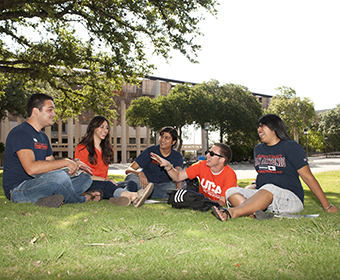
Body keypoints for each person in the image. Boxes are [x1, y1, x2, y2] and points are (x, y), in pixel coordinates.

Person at [211, 114, 338, 221]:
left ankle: (232, 212)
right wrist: (253, 185)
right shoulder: (258, 149)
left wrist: (327, 206)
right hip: (263, 196)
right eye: (258, 127)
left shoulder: (291, 147)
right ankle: (255, 214)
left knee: (269, 187)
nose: (259, 129)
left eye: (262, 126)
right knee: (231, 191)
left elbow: (308, 177)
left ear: (274, 127)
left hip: (290, 198)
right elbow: (264, 173)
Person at [2, 93, 99, 208]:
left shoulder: (43, 137)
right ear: (36, 111)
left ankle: (47, 198)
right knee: (59, 178)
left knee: (85, 178)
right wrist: (65, 161)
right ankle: (82, 199)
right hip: (19, 189)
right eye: (50, 110)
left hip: (43, 182)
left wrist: (73, 165)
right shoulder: (20, 133)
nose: (54, 114)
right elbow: (31, 168)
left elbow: (51, 166)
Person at [75, 116, 153, 207]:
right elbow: (83, 175)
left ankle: (120, 198)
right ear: (93, 128)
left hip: (104, 183)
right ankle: (133, 196)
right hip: (88, 184)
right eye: (102, 127)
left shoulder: (108, 149)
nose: (105, 130)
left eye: (107, 128)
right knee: (108, 184)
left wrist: (106, 180)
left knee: (131, 183)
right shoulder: (82, 148)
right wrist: (105, 180)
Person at [150, 143, 237, 206]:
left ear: (222, 160)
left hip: (204, 201)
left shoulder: (230, 175)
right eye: (208, 152)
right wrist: (168, 166)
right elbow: (178, 177)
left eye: (212, 154)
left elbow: (223, 202)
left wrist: (203, 200)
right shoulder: (201, 165)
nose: (207, 155)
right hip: (201, 200)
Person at [124, 126, 184, 199]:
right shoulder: (150, 151)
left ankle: (142, 195)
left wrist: (178, 189)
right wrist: (139, 173)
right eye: (161, 137)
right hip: (145, 185)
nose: (162, 140)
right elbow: (128, 169)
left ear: (173, 142)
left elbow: (179, 173)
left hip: (164, 186)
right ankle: (135, 195)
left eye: (167, 138)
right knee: (131, 177)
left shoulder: (177, 156)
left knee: (183, 184)